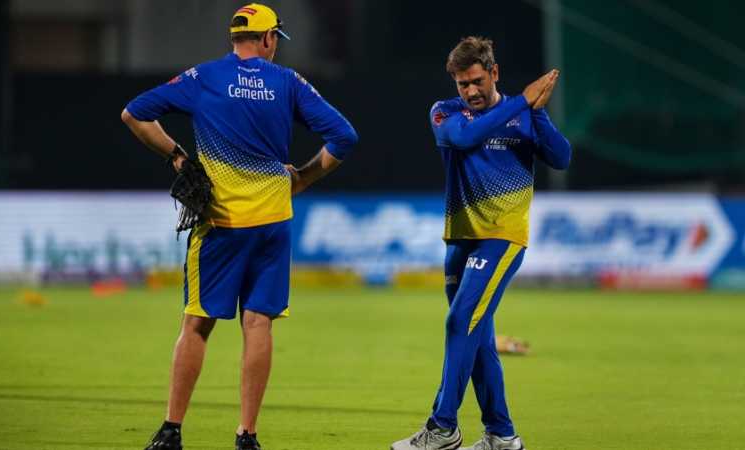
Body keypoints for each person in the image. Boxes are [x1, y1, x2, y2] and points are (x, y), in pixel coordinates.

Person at [121, 4, 358, 450]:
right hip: (272, 222)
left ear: (236, 38)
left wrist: (177, 156)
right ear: (268, 39)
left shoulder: (204, 77)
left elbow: (134, 114)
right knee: (258, 325)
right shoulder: (287, 83)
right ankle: (246, 435)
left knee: (197, 325)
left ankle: (171, 430)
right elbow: (344, 136)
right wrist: (303, 177)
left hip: (220, 223)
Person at [391, 36, 570, 450]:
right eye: (461, 84)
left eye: (476, 81)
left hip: (502, 238)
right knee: (477, 336)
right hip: (460, 240)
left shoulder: (523, 114)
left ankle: (442, 427)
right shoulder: (444, 113)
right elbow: (467, 138)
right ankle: (502, 436)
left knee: (459, 323)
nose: (469, 91)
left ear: (494, 73)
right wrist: (521, 102)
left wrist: (536, 113)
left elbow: (561, 158)